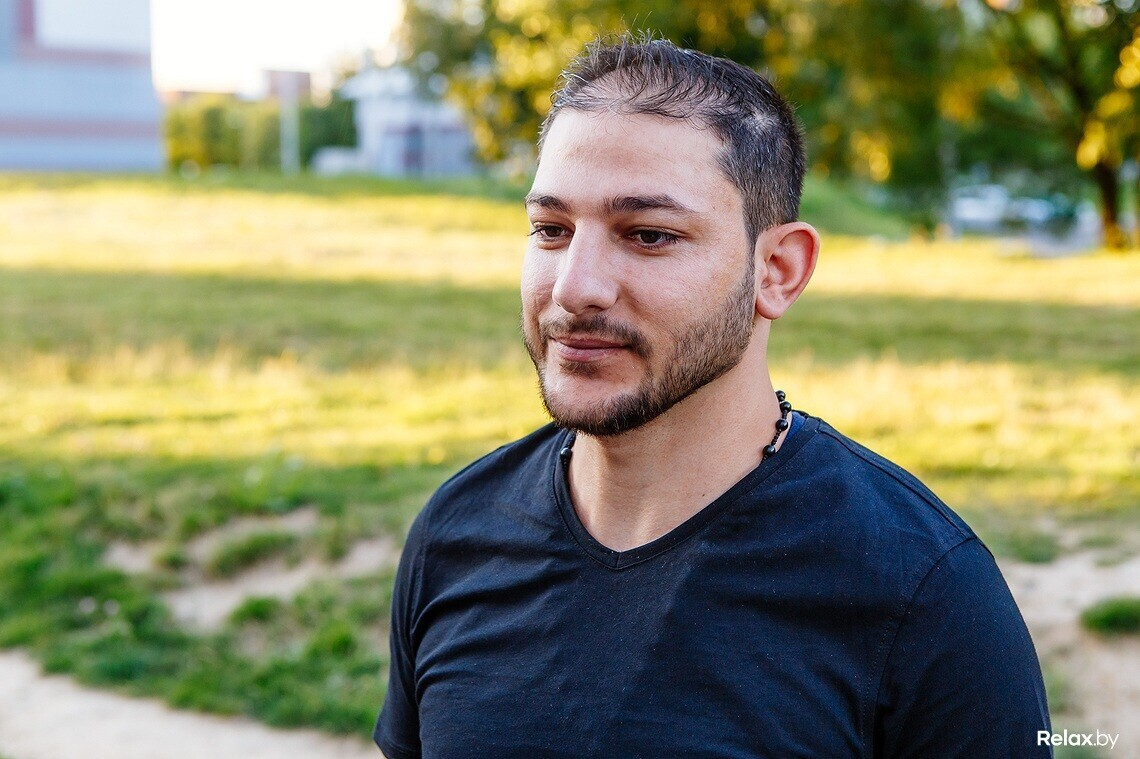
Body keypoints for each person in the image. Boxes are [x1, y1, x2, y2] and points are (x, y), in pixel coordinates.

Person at [374, 35, 1051, 758]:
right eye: (551, 229)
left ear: (777, 270)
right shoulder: (457, 535)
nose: (574, 287)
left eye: (648, 234)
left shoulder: (923, 593)